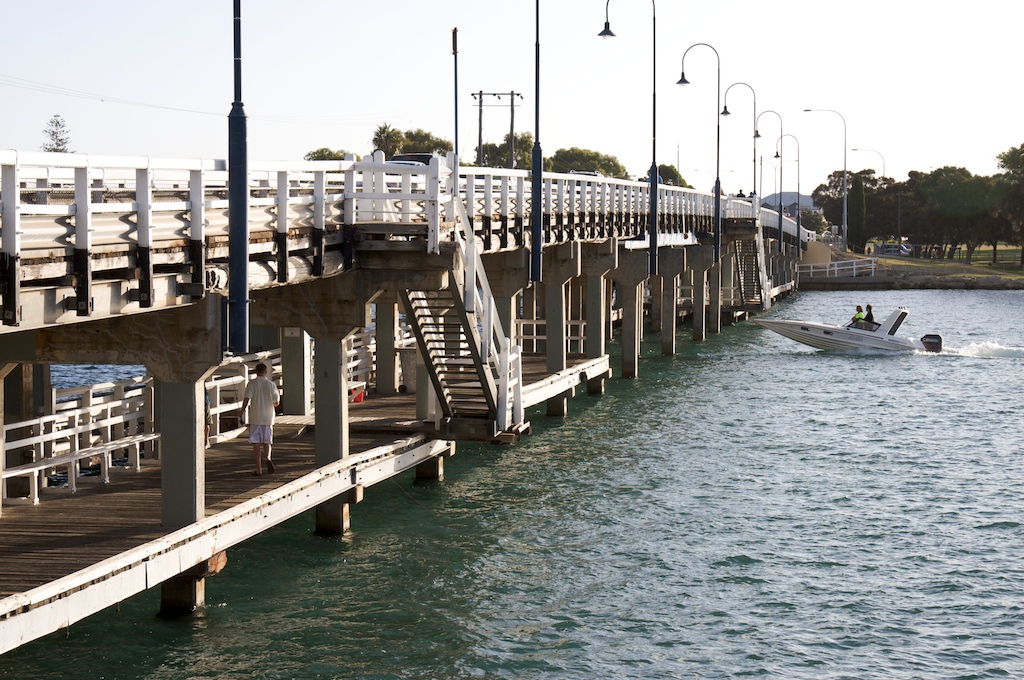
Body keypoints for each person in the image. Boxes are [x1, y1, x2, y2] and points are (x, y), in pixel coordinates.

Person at [240, 363, 280, 476]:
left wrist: (241, 411)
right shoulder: (271, 385)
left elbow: (247, 399)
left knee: (256, 443)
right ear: (266, 372)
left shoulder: (252, 384)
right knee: (267, 441)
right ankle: (267, 458)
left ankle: (259, 469)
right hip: (268, 417)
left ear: (256, 371)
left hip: (255, 417)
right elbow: (276, 403)